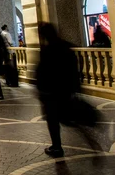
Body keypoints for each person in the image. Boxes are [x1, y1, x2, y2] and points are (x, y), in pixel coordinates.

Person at [37, 22, 80, 158]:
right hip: (65, 89)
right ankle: (90, 142)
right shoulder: (65, 46)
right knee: (67, 117)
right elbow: (74, 68)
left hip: (51, 91)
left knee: (53, 120)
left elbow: (42, 72)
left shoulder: (48, 50)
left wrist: (41, 90)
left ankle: (57, 147)